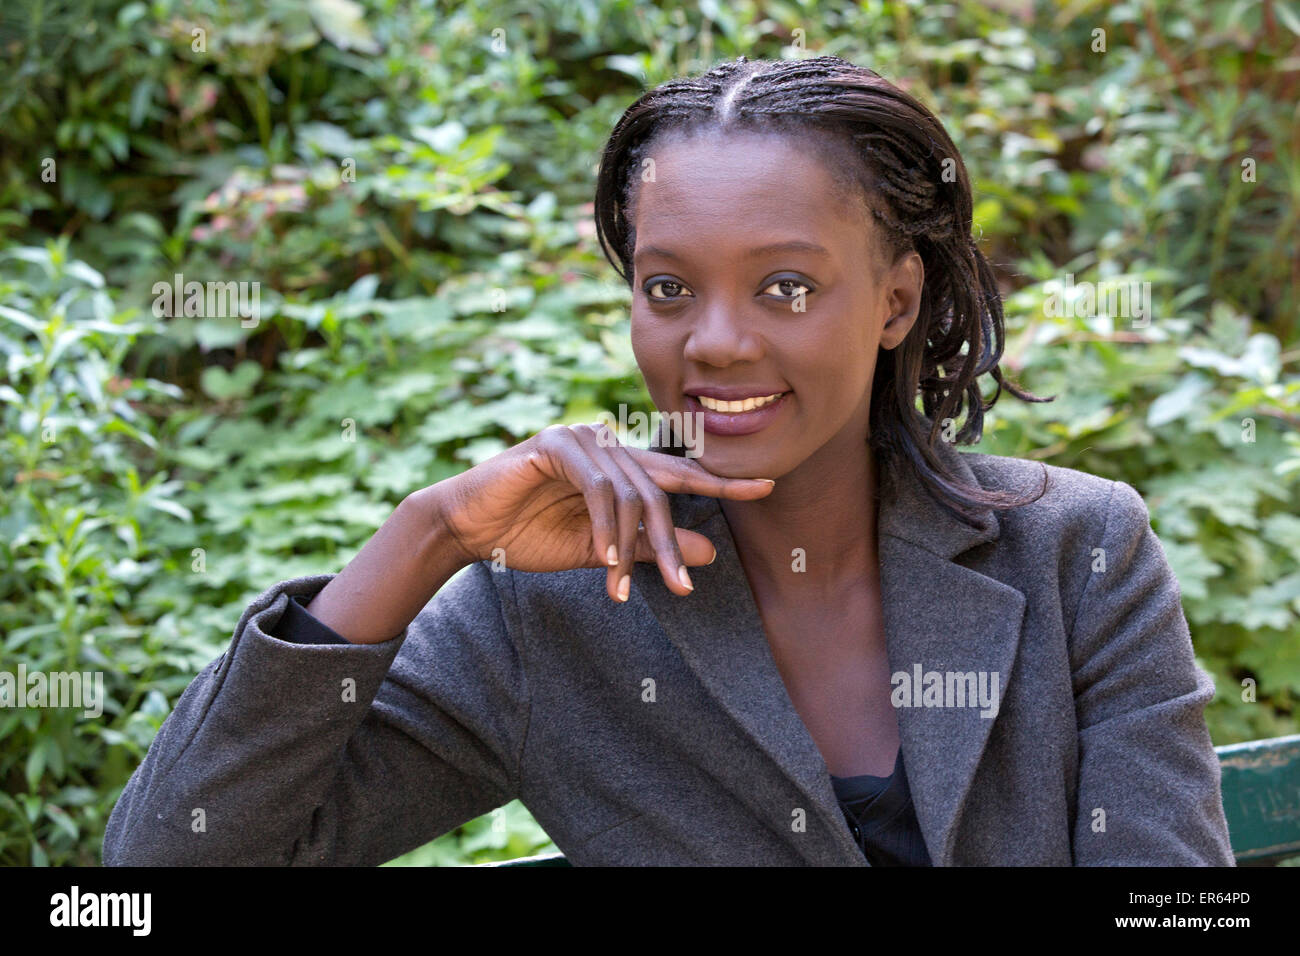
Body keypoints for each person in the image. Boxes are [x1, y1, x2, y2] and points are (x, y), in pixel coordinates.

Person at [103, 55, 1234, 866]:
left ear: (895, 300)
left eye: (785, 285)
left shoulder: (1074, 551)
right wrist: (429, 533)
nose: (717, 340)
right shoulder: (550, 610)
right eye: (668, 288)